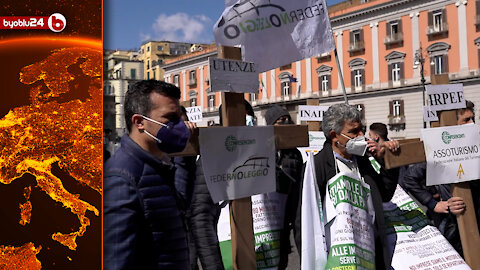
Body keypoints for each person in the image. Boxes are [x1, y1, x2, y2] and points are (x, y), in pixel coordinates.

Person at [295, 103, 398, 269]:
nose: (361, 135)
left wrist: (385, 160)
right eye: (353, 132)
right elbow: (304, 221)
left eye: (362, 129)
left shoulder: (363, 161)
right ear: (334, 136)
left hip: (369, 253)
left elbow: (384, 194)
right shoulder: (317, 166)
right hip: (338, 259)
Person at [103, 80, 191, 269]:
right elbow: (116, 260)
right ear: (140, 122)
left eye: (181, 118)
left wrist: (186, 157)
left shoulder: (160, 165)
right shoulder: (121, 179)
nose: (181, 125)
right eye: (170, 118)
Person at [402, 100, 477, 256]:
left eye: (473, 119)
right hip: (452, 225)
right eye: (466, 120)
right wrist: (433, 204)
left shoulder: (476, 146)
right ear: (452, 124)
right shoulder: (438, 151)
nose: (472, 124)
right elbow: (409, 178)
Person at [264, 105, 303, 270]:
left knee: (282, 257)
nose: (286, 123)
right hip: (268, 214)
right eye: (280, 121)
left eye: (288, 119)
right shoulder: (264, 150)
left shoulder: (295, 153)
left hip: (288, 211)